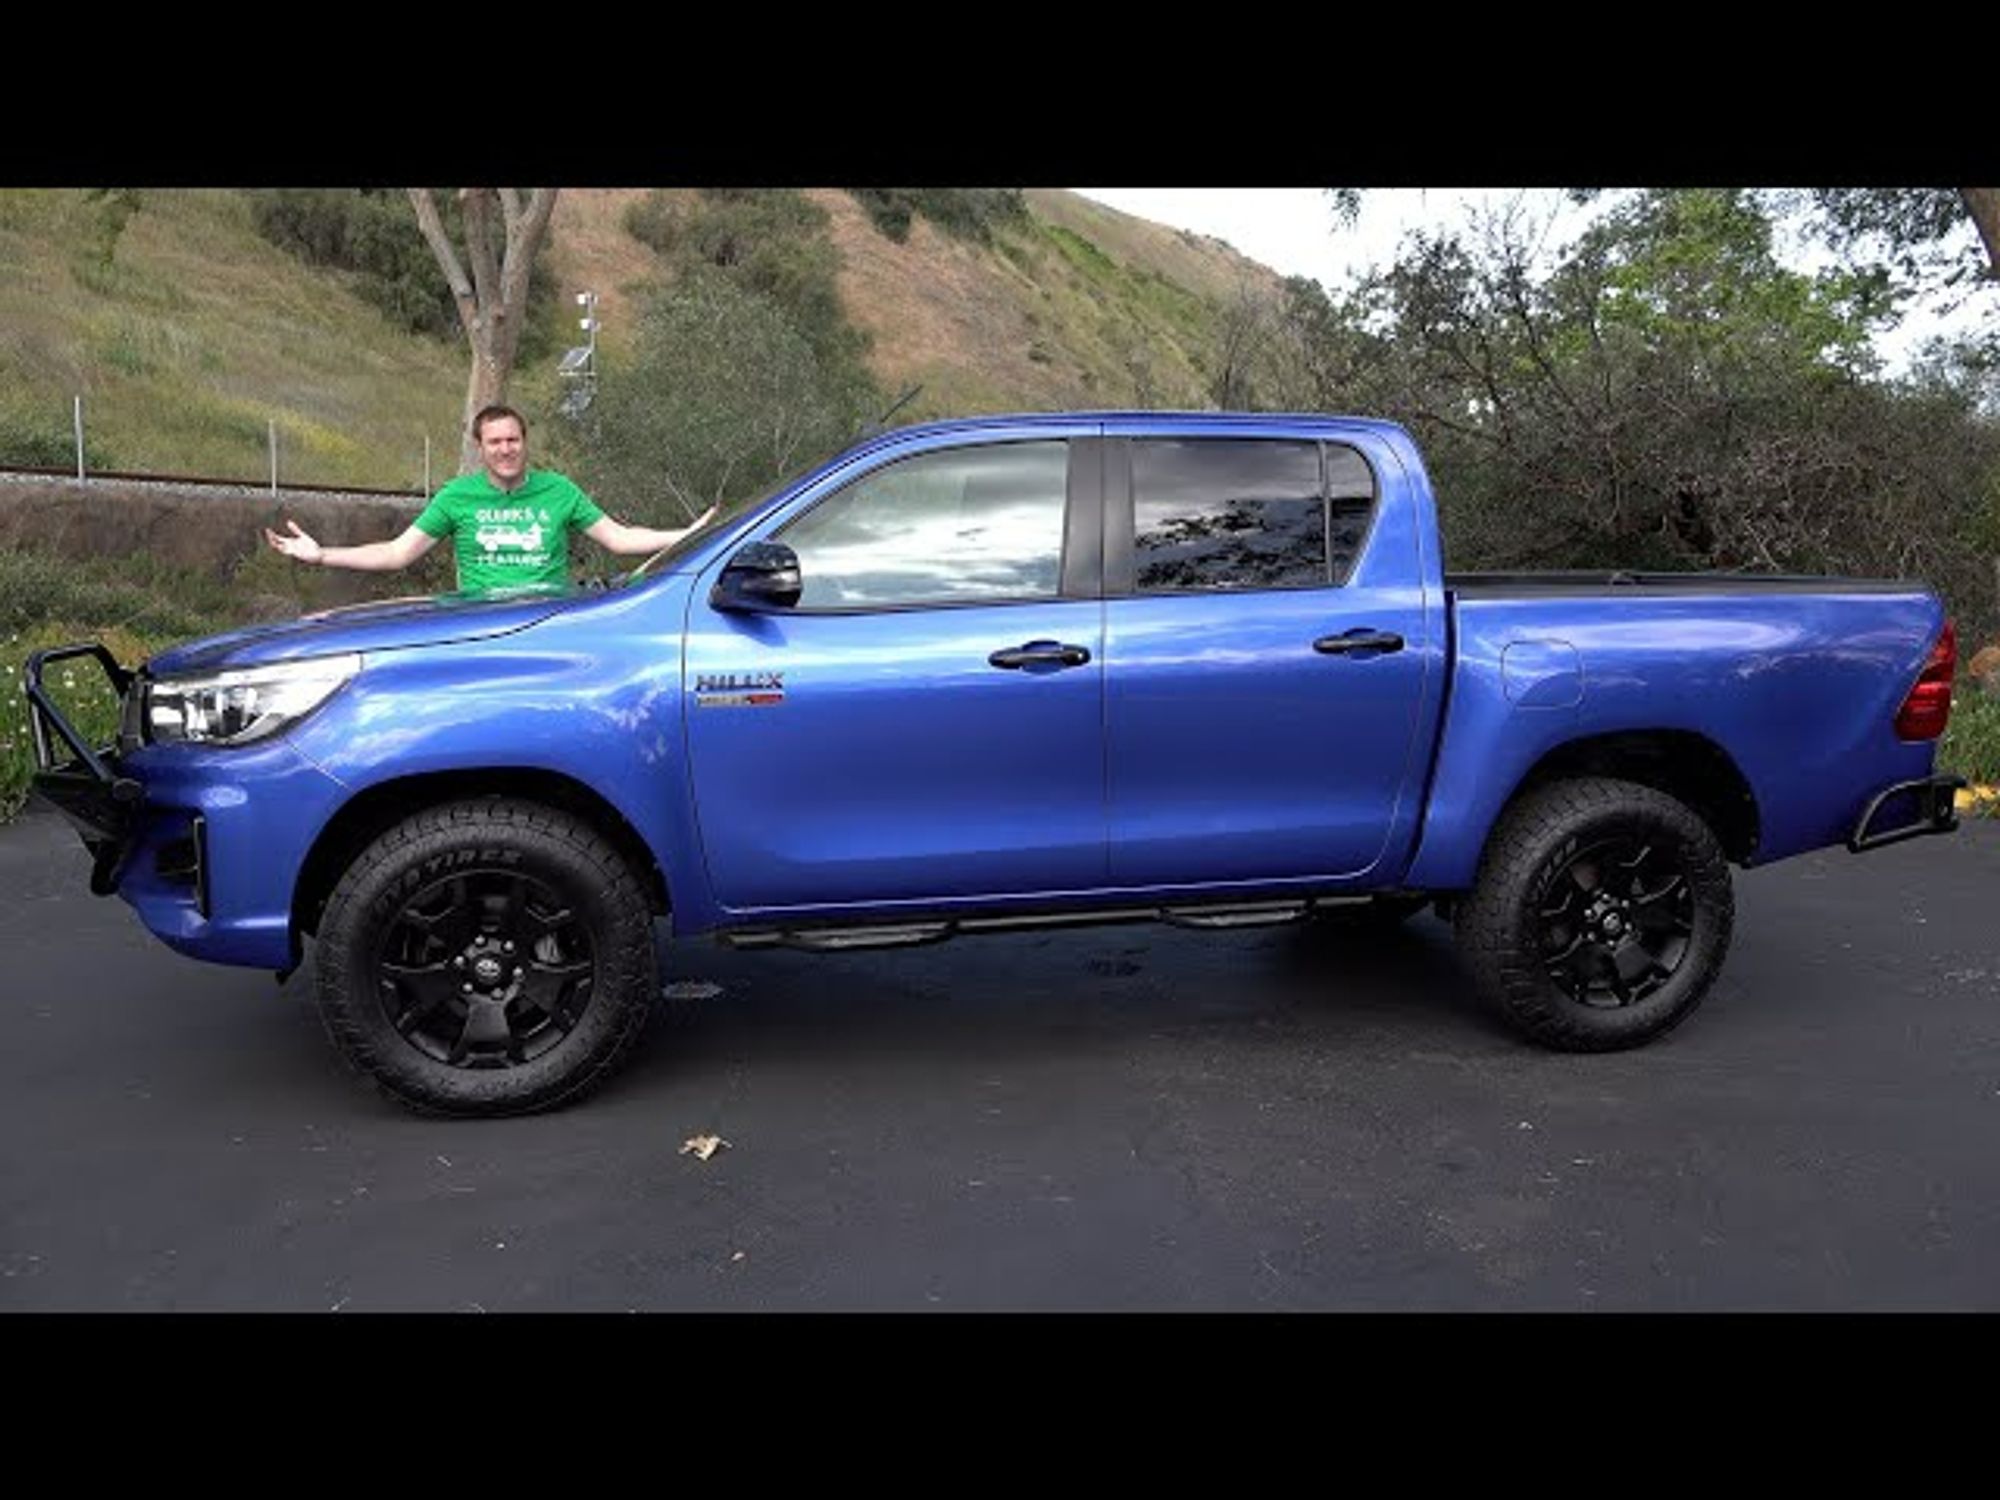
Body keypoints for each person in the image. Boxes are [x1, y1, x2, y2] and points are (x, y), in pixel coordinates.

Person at [265, 404, 717, 594]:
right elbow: (396, 553)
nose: (506, 449)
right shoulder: (457, 496)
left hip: (547, 620)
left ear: (525, 442)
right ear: (480, 448)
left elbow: (618, 539)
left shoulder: (559, 489)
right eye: (495, 442)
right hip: (480, 624)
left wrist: (692, 534)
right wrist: (322, 555)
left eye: (513, 440)